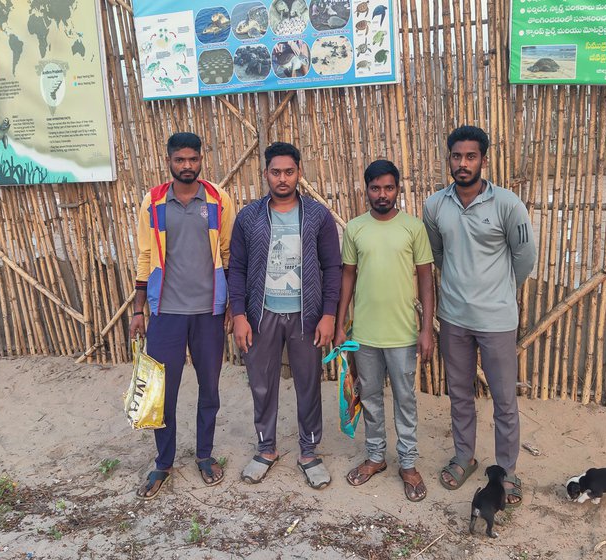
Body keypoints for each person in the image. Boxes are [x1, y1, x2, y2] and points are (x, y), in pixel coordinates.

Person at [423, 125, 536, 506]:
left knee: (504, 399)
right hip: (453, 317)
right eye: (457, 156)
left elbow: (524, 257)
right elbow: (438, 255)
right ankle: (463, 457)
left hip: (497, 320)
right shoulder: (435, 205)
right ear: (449, 158)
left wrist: (501, 290)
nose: (463, 163)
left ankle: (506, 472)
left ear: (483, 160)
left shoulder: (507, 204)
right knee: (459, 394)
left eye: (471, 156)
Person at [229, 141, 341, 489]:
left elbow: (332, 267)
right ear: (265, 174)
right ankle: (266, 448)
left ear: (299, 173)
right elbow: (237, 268)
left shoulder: (317, 215)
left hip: (306, 316)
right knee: (262, 384)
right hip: (261, 315)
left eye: (289, 172)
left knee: (308, 384)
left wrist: (328, 314)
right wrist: (239, 315)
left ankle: (308, 452)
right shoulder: (249, 217)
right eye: (275, 172)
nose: (282, 179)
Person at [129, 132, 236, 500]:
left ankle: (205, 456)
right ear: (169, 161)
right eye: (180, 160)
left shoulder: (219, 199)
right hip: (166, 312)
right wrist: (138, 308)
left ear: (202, 158)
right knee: (163, 394)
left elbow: (227, 254)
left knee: (210, 388)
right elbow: (145, 255)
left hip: (208, 312)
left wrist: (231, 303)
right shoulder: (153, 201)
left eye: (192, 159)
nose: (187, 165)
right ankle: (163, 462)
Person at [334, 160, 435, 502]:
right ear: (367, 190)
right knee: (371, 398)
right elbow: (347, 276)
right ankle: (375, 457)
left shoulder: (413, 228)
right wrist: (339, 326)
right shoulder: (355, 228)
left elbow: (425, 278)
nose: (382, 194)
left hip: (403, 334)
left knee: (405, 399)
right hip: (364, 334)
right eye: (375, 188)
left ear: (397, 190)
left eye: (388, 188)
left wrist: (426, 330)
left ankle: (407, 463)